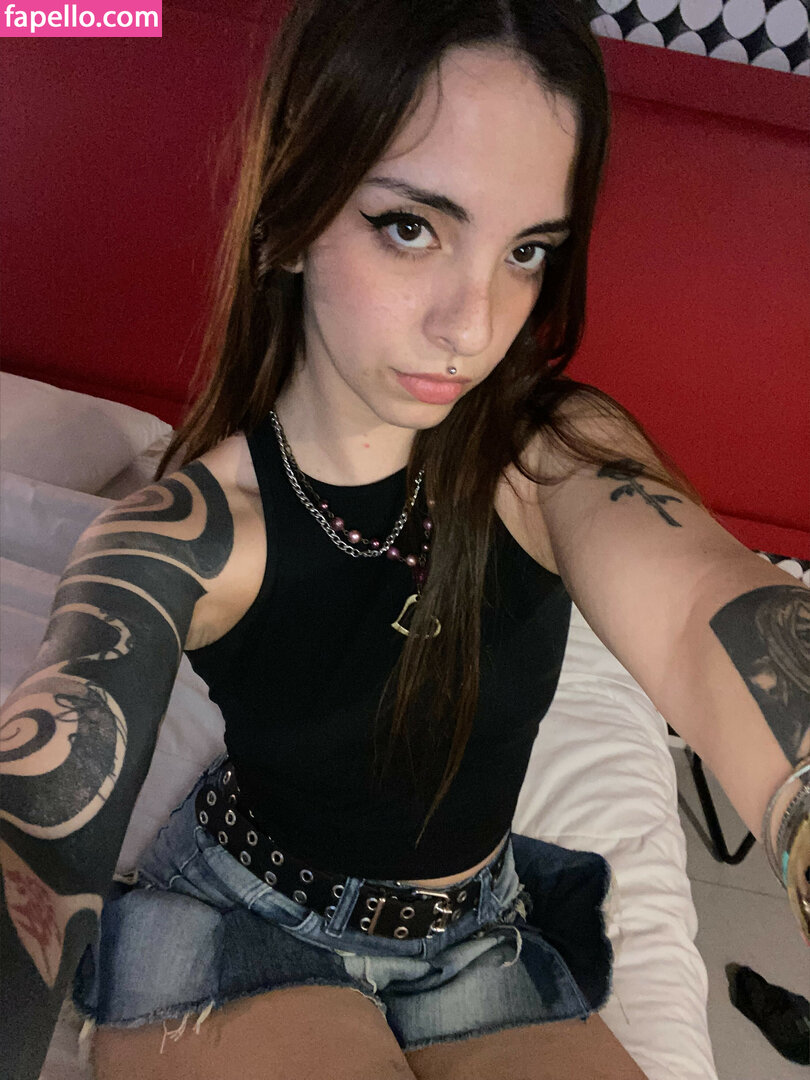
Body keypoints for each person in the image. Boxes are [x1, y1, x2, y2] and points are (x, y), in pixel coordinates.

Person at [2, 0, 808, 1077]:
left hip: (481, 930)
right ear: (291, 219)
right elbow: (48, 795)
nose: (473, 323)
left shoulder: (550, 454)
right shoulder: (178, 536)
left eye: (526, 250)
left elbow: (707, 614)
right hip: (242, 920)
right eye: (412, 227)